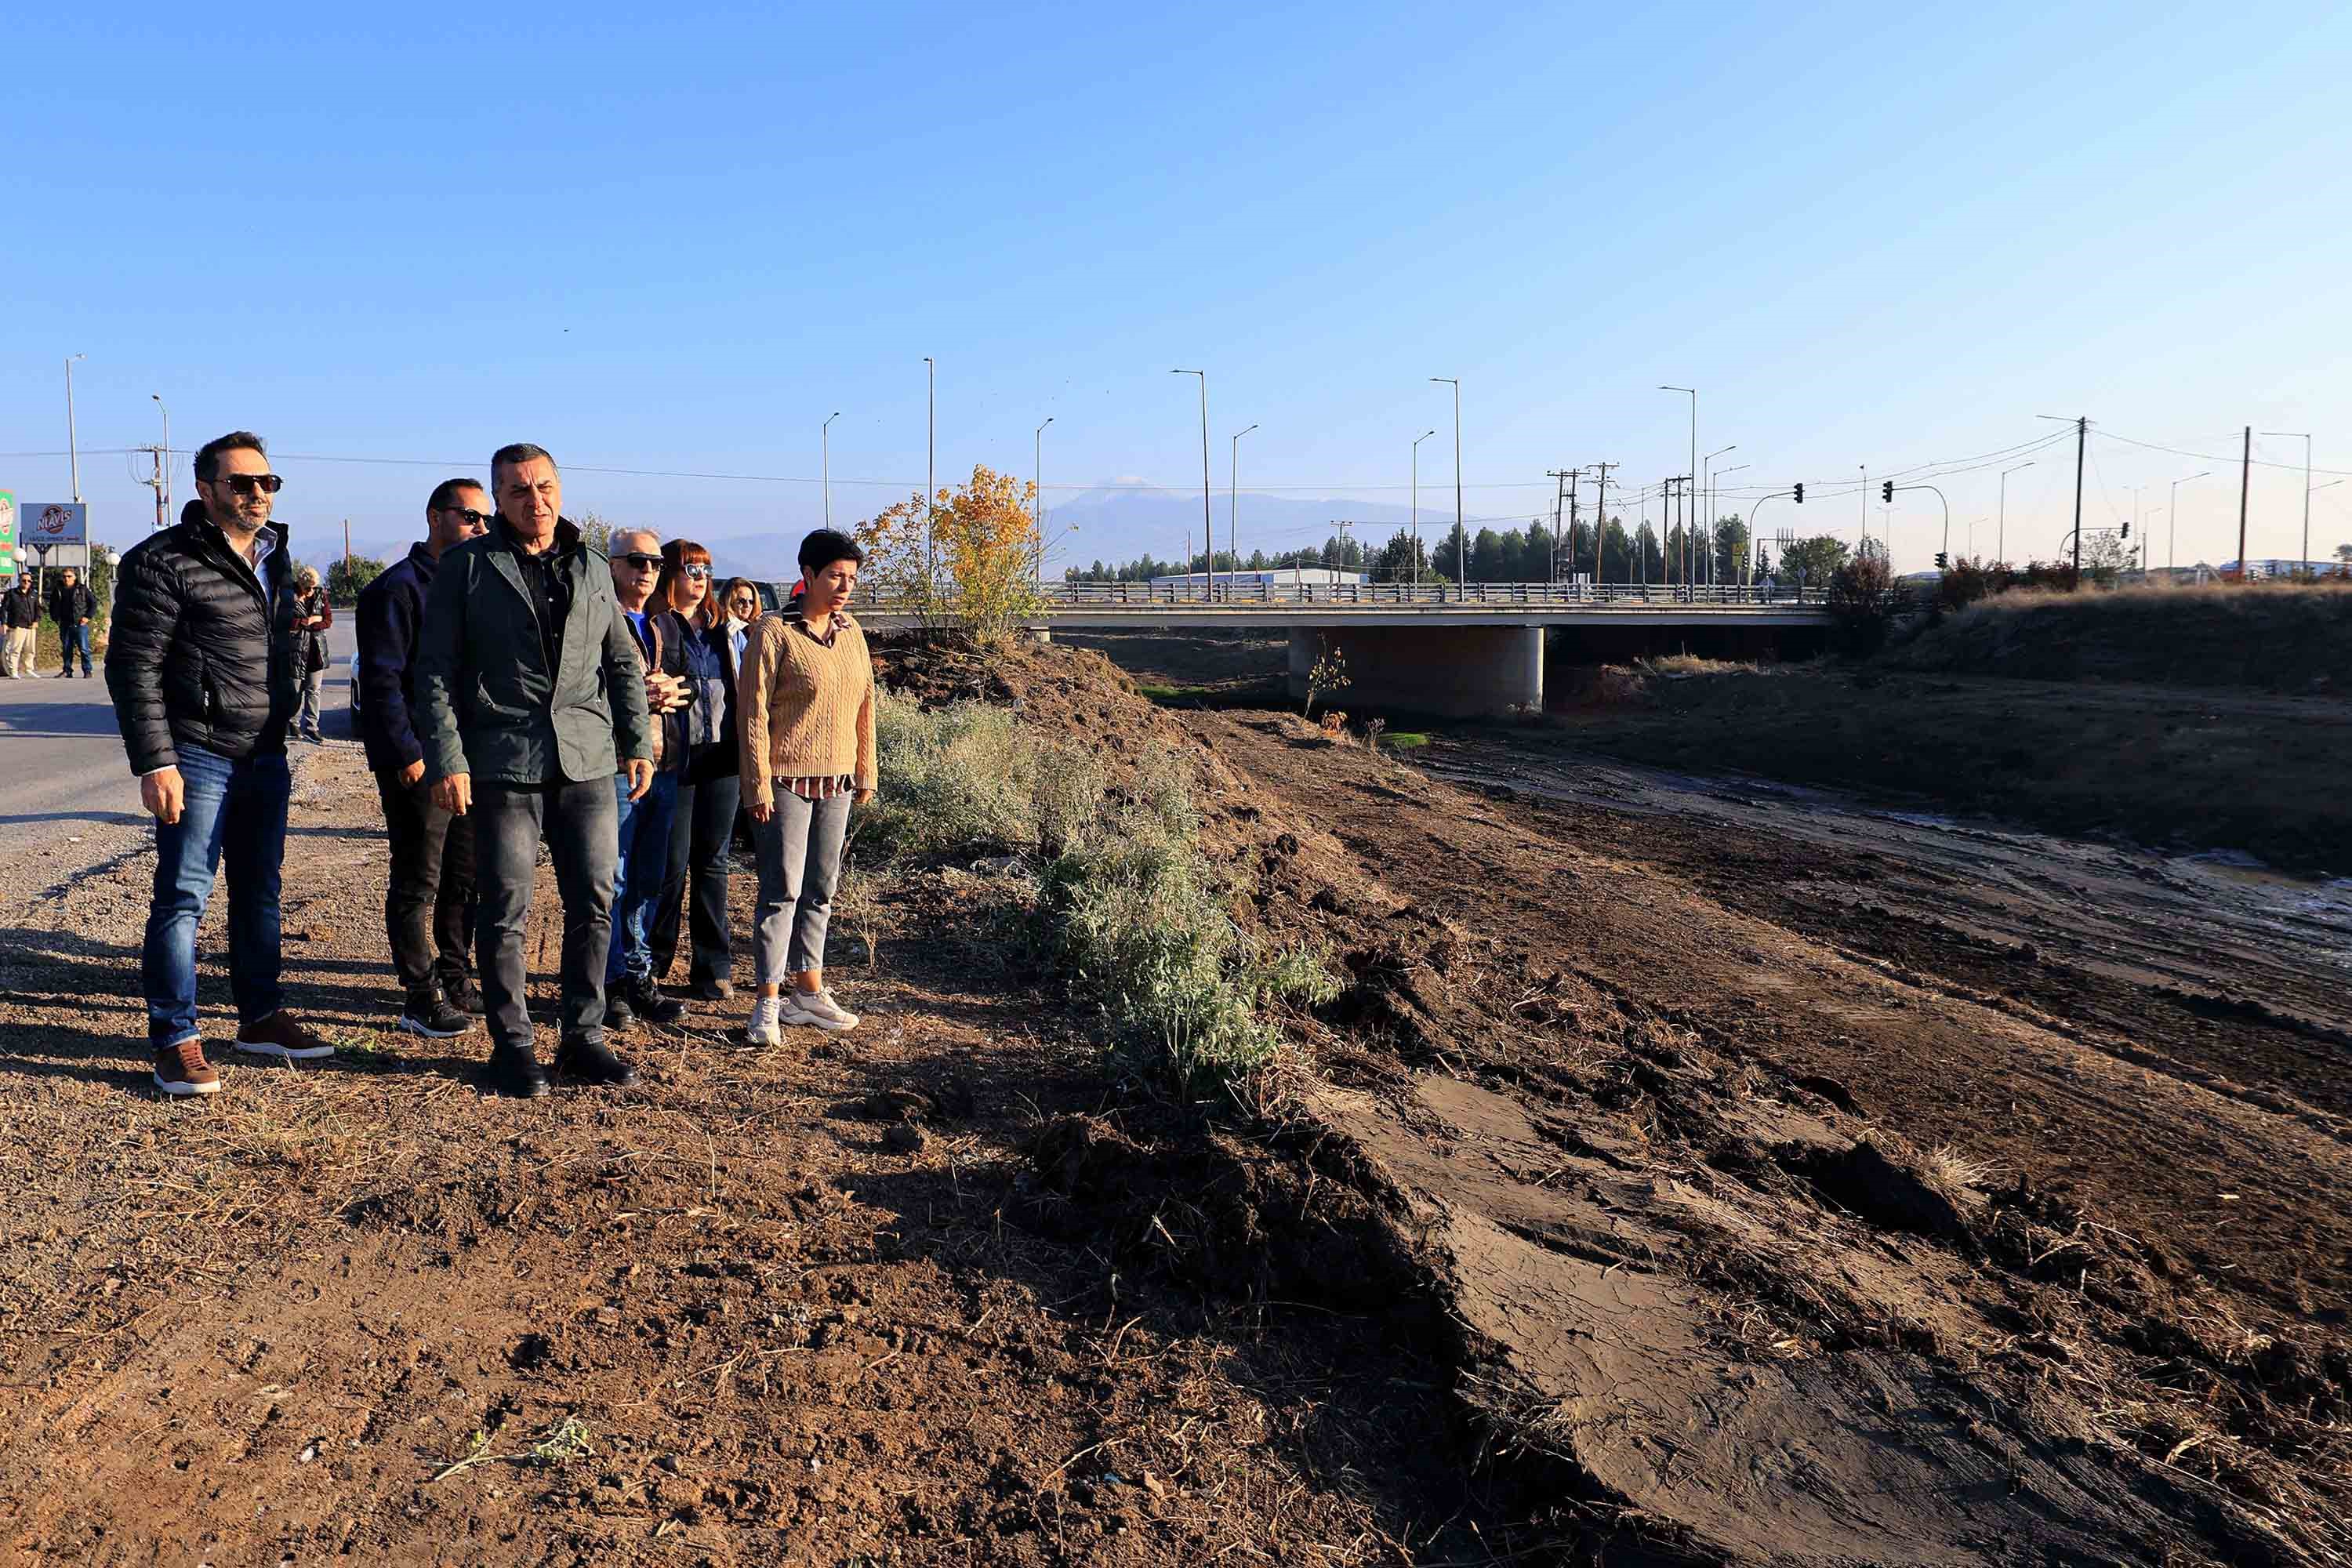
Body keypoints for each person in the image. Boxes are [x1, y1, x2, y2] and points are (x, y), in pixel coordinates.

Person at [413, 443, 652, 1098]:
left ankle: (583, 1036)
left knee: (596, 902)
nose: (535, 501)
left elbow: (620, 661)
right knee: (505, 910)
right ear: (498, 499)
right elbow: (434, 672)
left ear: (560, 490)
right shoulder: (466, 567)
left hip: (587, 760)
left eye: (544, 487)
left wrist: (638, 741)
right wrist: (448, 758)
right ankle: (513, 1046)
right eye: (519, 491)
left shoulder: (592, 565)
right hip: (503, 763)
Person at [105, 431, 335, 1097]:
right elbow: (133, 668)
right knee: (184, 897)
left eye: (268, 482)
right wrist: (157, 762)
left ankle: (260, 1018)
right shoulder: (162, 561)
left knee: (260, 892)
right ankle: (175, 1037)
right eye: (242, 483)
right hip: (197, 752)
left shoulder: (275, 555)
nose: (258, 494)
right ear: (205, 490)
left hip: (265, 753)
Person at [357, 478, 490, 1038]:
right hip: (420, 763)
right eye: (469, 517)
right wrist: (408, 753)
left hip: (471, 760)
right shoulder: (397, 590)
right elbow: (382, 683)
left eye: (486, 520)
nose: (480, 528)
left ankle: (456, 978)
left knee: (466, 876)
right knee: (419, 880)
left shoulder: (476, 585)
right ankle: (419, 994)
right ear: (435, 517)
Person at [737, 529, 877, 1044]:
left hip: (837, 780)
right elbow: (752, 714)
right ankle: (767, 1001)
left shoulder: (852, 633)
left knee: (821, 888)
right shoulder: (774, 632)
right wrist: (757, 784)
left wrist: (865, 769)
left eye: (852, 578)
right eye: (836, 576)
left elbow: (866, 703)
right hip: (785, 781)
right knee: (782, 891)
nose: (845, 587)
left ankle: (808, 993)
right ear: (809, 575)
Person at [603, 528, 691, 1029]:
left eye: (656, 563)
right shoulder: (598, 621)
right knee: (613, 878)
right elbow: (582, 688)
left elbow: (691, 682)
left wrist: (675, 690)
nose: (647, 571)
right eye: (637, 561)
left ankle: (640, 975)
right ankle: (611, 982)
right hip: (615, 767)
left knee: (648, 878)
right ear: (613, 565)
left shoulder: (664, 626)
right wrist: (640, 691)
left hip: (664, 765)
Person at [647, 543, 741, 1000]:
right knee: (672, 861)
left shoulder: (726, 631)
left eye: (706, 568)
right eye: (690, 568)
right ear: (670, 573)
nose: (701, 577)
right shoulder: (655, 626)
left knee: (713, 861)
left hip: (722, 757)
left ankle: (712, 967)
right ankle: (653, 961)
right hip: (676, 757)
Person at [290, 565, 334, 742]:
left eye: (313, 587)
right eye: (308, 588)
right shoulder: (289, 596)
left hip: (316, 650)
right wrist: (307, 621)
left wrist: (310, 623)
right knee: (295, 691)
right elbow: (284, 621)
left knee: (314, 690)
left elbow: (328, 621)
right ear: (300, 584)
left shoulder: (320, 595)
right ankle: (292, 724)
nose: (311, 591)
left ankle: (311, 727)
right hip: (296, 649)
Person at [50, 567, 96, 678]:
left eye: (69, 576)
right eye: (64, 576)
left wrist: (87, 617)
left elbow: (93, 603)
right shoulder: (58, 590)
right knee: (66, 648)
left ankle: (87, 670)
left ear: (74, 577)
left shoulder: (82, 589)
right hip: (65, 624)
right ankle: (67, 670)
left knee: (84, 648)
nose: (67, 579)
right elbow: (52, 606)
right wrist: (56, 619)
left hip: (80, 624)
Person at [2, 573, 40, 678]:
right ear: (19, 581)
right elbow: (4, 609)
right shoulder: (11, 593)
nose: (27, 583)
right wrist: (4, 623)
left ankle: (29, 669)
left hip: (31, 626)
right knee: (15, 650)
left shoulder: (33, 594)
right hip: (17, 625)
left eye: (29, 581)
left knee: (30, 650)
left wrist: (36, 621)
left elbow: (38, 609)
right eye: (24, 580)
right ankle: (13, 671)